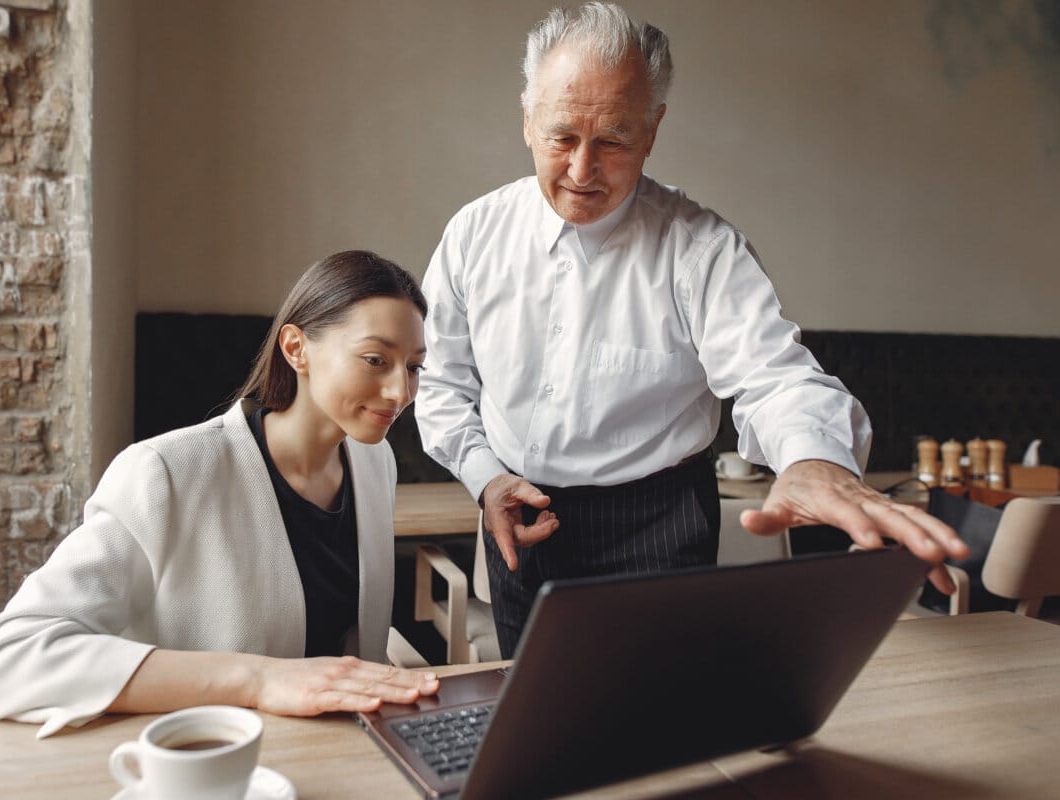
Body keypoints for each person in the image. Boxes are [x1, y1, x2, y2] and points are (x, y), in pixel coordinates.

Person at [414, 2, 969, 658]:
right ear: (528, 119)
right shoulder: (474, 235)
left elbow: (775, 375)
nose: (583, 169)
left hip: (660, 525)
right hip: (520, 515)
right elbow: (439, 381)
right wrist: (485, 477)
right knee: (536, 738)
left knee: (663, 731)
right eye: (564, 136)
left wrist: (816, 461)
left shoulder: (702, 249)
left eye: (613, 140)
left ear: (652, 131)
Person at [0, 250, 439, 737]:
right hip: (211, 768)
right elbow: (5, 658)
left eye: (414, 368)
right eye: (376, 360)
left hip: (347, 757)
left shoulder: (373, 461)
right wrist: (258, 679)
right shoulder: (164, 474)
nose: (399, 392)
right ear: (296, 349)